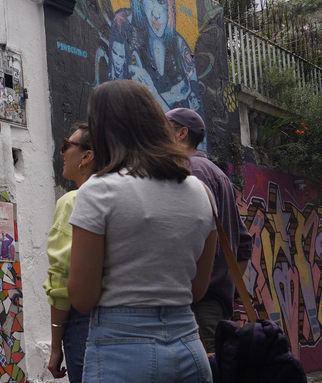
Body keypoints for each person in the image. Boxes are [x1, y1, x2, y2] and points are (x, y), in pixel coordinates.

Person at [68, 79, 217, 383]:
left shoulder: (98, 191)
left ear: (101, 130)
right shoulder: (200, 191)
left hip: (122, 352)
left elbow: (82, 297)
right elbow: (197, 290)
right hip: (189, 347)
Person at [165, 107, 253, 353]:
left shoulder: (191, 171)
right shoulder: (215, 172)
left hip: (199, 302)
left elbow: (194, 236)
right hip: (215, 300)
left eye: (165, 127)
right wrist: (227, 286)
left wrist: (207, 284)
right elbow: (244, 245)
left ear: (182, 133)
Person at [44, 124, 94, 383]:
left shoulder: (73, 201)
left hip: (83, 322)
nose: (62, 153)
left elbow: (62, 279)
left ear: (87, 156)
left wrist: (55, 347)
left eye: (67, 146)